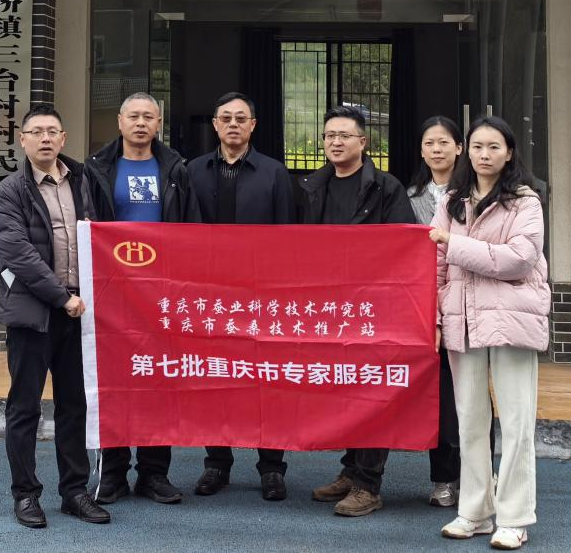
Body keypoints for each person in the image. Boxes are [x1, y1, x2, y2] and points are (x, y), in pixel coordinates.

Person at [430, 116, 550, 550]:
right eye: (478, 146)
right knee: (470, 422)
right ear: (468, 150)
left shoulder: (525, 202)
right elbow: (436, 266)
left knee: (516, 423)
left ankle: (514, 518)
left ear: (509, 152)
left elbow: (518, 259)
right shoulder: (452, 200)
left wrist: (453, 243)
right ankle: (475, 512)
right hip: (462, 319)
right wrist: (436, 317)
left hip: (511, 319)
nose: (485, 154)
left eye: (494, 147)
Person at [0, 105, 110, 529]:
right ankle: (25, 493)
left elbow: (103, 235)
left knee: (74, 405)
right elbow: (17, 253)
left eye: (52, 131)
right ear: (22, 140)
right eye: (36, 131)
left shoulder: (84, 180)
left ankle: (75, 492)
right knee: (24, 407)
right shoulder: (11, 190)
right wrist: (62, 299)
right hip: (35, 312)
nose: (45, 138)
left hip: (80, 311)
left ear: (63, 138)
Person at [299, 104, 417, 518]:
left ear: (363, 142)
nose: (335, 142)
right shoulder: (312, 186)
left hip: (373, 307)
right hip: (328, 308)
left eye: (344, 135)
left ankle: (369, 484)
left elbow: (404, 245)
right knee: (344, 390)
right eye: (329, 135)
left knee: (372, 390)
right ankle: (350, 471)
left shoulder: (386, 188)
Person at [84, 92, 200, 506]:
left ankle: (154, 472)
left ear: (159, 123)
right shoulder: (96, 168)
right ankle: (113, 473)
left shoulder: (176, 169)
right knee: (114, 381)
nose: (140, 123)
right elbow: (86, 226)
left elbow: (191, 230)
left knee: (159, 380)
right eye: (133, 116)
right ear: (119, 121)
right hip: (112, 292)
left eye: (148, 116)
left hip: (162, 293)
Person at [188, 91, 295, 502]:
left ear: (253, 125)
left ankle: (272, 467)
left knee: (267, 381)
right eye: (226, 118)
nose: (233, 124)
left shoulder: (274, 173)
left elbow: (287, 236)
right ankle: (217, 462)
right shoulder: (193, 171)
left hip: (261, 294)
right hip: (209, 295)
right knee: (215, 379)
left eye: (241, 118)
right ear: (215, 125)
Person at [407, 116, 464, 509]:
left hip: (464, 302)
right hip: (422, 305)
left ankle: (473, 477)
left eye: (444, 142)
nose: (437, 149)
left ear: (459, 148)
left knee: (467, 397)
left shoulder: (474, 193)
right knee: (435, 398)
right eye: (430, 143)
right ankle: (443, 479)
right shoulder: (410, 197)